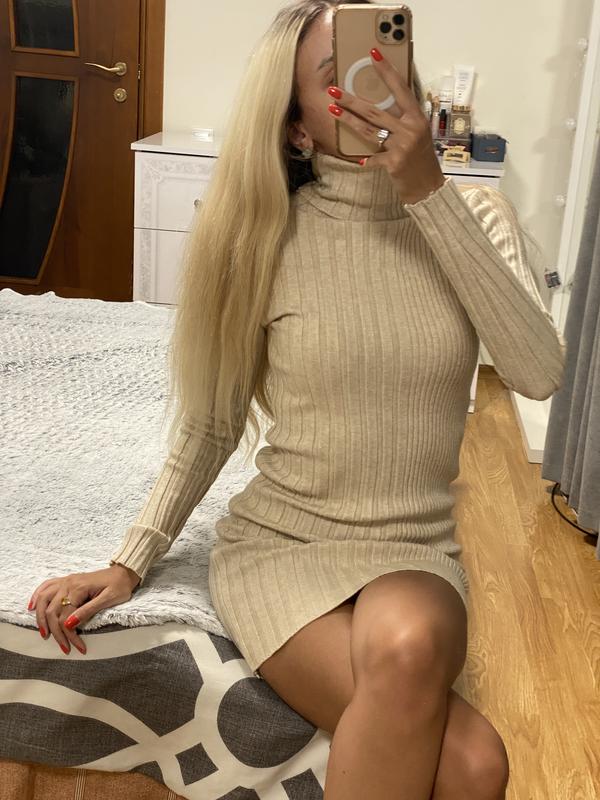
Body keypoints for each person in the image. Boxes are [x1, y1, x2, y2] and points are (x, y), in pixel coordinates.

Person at [28, 1, 566, 798]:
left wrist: (430, 193)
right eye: (339, 75)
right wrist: (131, 559)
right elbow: (213, 421)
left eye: (384, 64)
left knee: (413, 646)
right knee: (477, 766)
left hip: (412, 545)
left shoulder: (474, 216)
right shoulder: (264, 238)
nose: (375, 86)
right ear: (297, 130)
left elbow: (538, 371)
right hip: (285, 546)